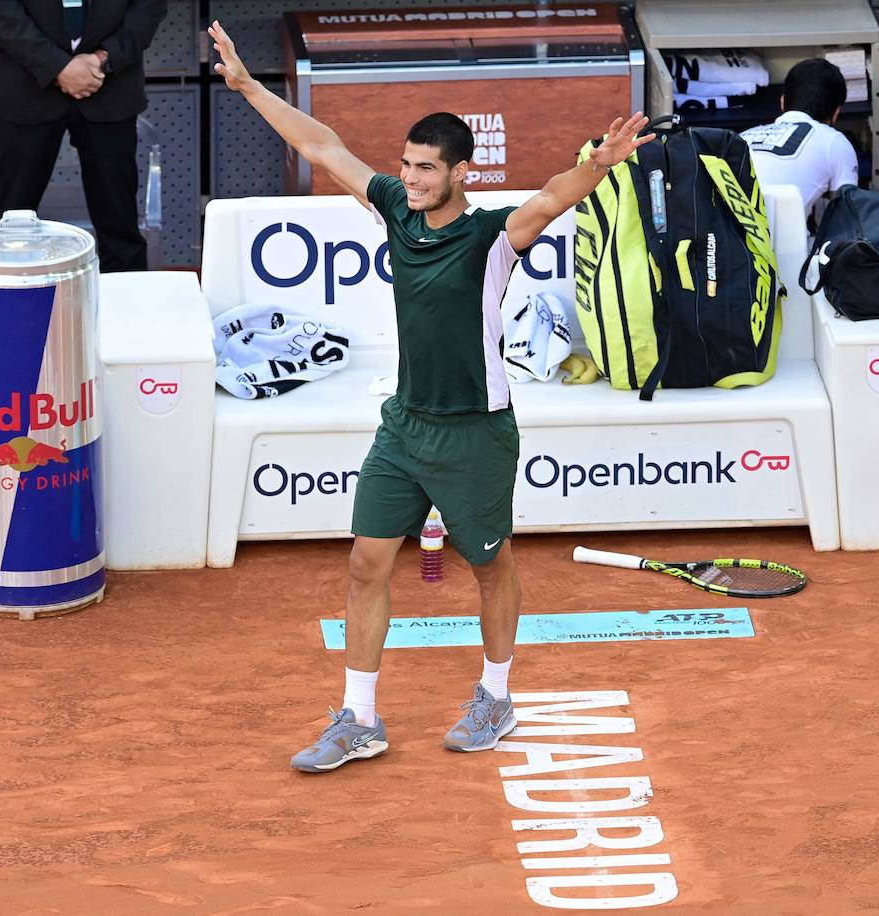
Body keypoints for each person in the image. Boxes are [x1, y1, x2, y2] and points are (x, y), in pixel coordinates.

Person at [210, 20, 655, 772]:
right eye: (407, 166)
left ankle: (498, 696)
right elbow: (323, 145)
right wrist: (251, 87)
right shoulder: (394, 210)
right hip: (405, 426)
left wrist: (600, 166)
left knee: (492, 569)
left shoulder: (490, 237)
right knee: (365, 564)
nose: (411, 179)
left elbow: (549, 199)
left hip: (477, 434)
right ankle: (359, 719)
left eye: (426, 170)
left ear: (461, 173)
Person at [0, 0, 167, 272]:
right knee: (8, 222)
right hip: (24, 86)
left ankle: (126, 308)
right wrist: (58, 67)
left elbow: (149, 7)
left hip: (110, 86)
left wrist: (103, 58)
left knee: (120, 226)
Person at [740, 58, 860, 220]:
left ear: (782, 102)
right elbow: (848, 215)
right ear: (836, 112)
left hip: (717, 241)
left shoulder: (742, 137)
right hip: (781, 244)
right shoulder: (834, 142)